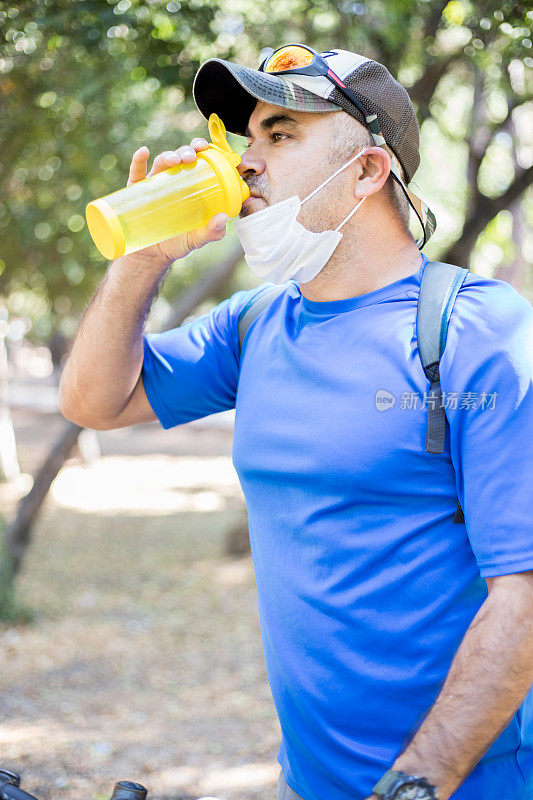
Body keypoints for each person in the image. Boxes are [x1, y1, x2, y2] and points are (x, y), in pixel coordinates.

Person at [59, 45, 533, 800]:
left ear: (368, 171)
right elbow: (93, 402)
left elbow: (524, 594)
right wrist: (141, 261)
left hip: (457, 787)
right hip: (307, 783)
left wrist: (418, 782)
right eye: (250, 137)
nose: (248, 162)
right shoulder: (253, 325)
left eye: (280, 134)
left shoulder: (474, 332)